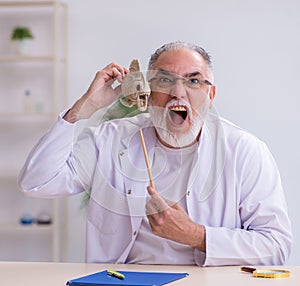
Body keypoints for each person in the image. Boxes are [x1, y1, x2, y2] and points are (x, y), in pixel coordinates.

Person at [18, 41, 292, 266]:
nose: (177, 92)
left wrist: (196, 236)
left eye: (193, 81)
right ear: (148, 93)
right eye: (164, 80)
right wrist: (82, 109)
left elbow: (276, 246)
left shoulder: (244, 151)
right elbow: (37, 182)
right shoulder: (111, 139)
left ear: (211, 95)